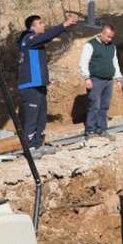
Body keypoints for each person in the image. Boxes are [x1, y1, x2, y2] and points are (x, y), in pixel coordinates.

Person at [17, 11, 79, 154]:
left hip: (39, 85)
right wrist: (64, 24)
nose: (43, 25)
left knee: (41, 116)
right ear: (31, 27)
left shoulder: (36, 43)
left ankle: (39, 144)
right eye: (40, 23)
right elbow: (47, 36)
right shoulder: (28, 38)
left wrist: (45, 79)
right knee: (32, 117)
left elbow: (35, 63)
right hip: (30, 87)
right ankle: (30, 148)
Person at [79, 24, 122, 138]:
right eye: (108, 36)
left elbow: (115, 62)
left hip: (108, 81)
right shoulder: (90, 45)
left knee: (104, 106)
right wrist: (87, 78)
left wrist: (118, 78)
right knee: (94, 105)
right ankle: (90, 130)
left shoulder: (112, 46)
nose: (110, 39)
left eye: (111, 37)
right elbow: (84, 62)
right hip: (95, 80)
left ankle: (102, 129)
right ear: (101, 33)